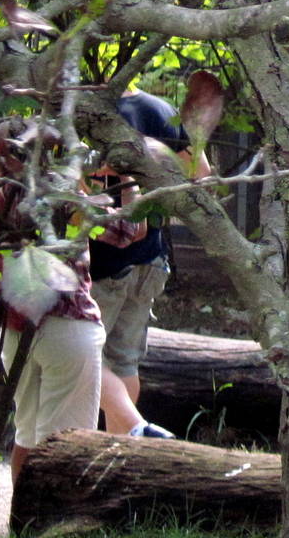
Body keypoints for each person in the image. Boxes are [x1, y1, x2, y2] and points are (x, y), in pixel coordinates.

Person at [0, 127, 144, 479]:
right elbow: (128, 232)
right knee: (68, 442)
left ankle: (20, 526)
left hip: (14, 328)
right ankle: (52, 527)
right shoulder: (61, 191)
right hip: (68, 327)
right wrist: (128, 179)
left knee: (27, 433)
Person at [88, 88, 213, 440]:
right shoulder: (159, 108)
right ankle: (125, 452)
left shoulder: (91, 110)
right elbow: (201, 172)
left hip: (104, 261)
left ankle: (133, 427)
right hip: (151, 260)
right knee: (124, 360)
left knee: (83, 353)